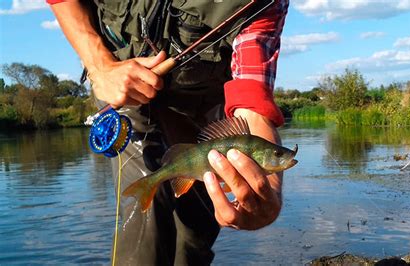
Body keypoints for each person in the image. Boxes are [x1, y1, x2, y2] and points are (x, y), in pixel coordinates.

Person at [48, 0, 289, 264]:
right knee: (149, 224)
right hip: (126, 90)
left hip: (202, 107)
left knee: (196, 230)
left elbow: (251, 94)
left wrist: (268, 189)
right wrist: (99, 66)